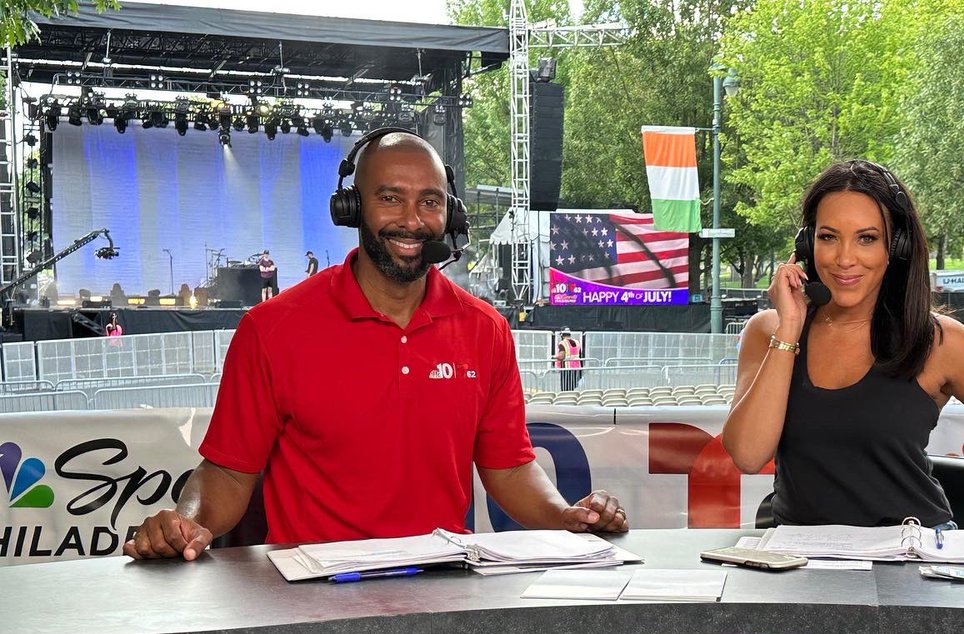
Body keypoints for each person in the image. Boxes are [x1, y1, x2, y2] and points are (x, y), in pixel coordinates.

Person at [125, 130, 628, 560]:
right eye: (390, 198)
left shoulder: (486, 329)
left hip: (444, 591)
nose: (412, 220)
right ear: (351, 208)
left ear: (447, 214)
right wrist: (189, 523)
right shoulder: (271, 328)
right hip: (311, 600)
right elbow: (229, 474)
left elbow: (511, 469)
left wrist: (566, 517)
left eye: (429, 202)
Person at [721, 159, 964, 530]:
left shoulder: (939, 341)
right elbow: (748, 454)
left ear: (897, 248)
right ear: (807, 243)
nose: (844, 258)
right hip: (797, 561)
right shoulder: (770, 332)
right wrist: (790, 329)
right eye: (828, 237)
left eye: (867, 238)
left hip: (910, 562)